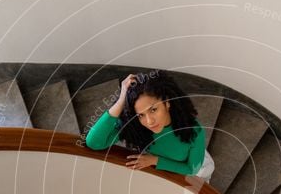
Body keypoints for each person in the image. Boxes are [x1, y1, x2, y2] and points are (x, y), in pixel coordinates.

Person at [84, 70, 215, 181]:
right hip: (172, 166)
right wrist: (122, 100)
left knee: (201, 181)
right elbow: (94, 142)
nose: (149, 121)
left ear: (167, 102)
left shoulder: (194, 131)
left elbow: (191, 169)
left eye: (153, 110)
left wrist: (155, 161)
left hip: (200, 166)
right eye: (140, 115)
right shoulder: (136, 127)